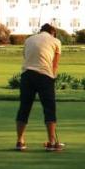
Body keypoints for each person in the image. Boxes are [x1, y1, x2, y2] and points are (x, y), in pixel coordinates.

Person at [15, 23, 64, 151]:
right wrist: (53, 78)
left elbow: (26, 57)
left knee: (24, 108)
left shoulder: (29, 39)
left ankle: (20, 141)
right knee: (49, 109)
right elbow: (55, 65)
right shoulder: (56, 41)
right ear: (52, 32)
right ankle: (52, 142)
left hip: (27, 76)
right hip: (45, 76)